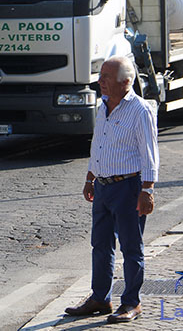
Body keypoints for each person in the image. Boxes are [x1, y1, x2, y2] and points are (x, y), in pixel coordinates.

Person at [65, 56, 159, 324]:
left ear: (126, 82)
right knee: (100, 245)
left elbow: (150, 153)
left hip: (129, 187)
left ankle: (131, 302)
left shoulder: (140, 111)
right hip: (103, 187)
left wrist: (147, 189)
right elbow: (99, 144)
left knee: (131, 248)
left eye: (106, 77)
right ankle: (100, 298)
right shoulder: (103, 106)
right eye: (101, 75)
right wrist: (89, 177)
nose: (100, 81)